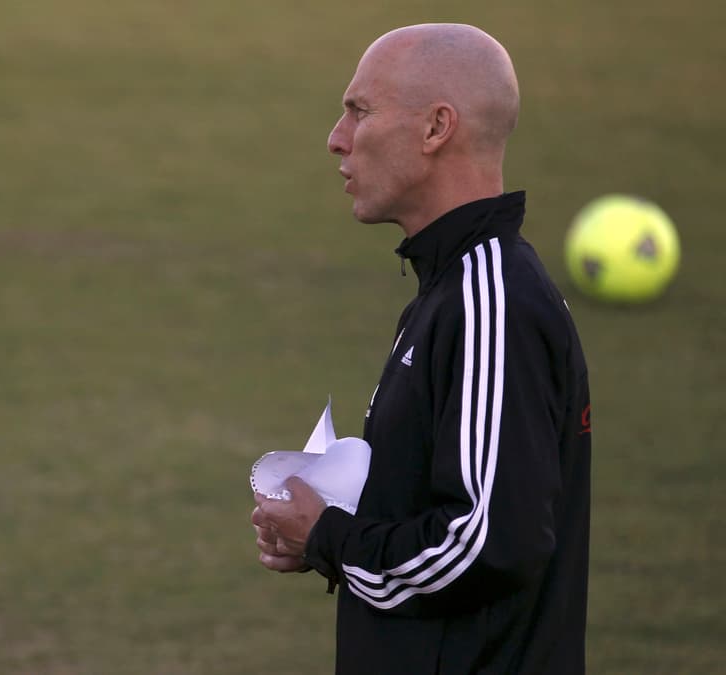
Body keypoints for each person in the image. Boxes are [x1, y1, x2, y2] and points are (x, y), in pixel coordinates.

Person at [251, 24, 592, 674]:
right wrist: (326, 526)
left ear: (437, 128)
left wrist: (331, 537)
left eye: (360, 111)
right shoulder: (453, 288)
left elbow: (488, 542)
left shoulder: (493, 302)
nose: (337, 138)